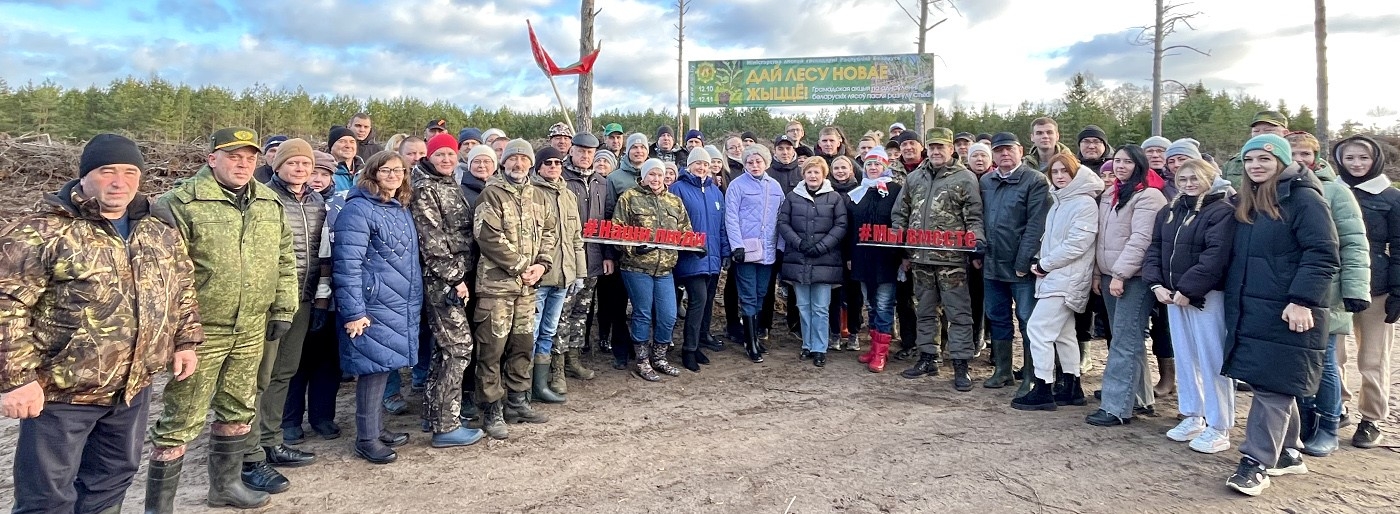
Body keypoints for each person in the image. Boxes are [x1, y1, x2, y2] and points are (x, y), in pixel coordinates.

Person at [1, 135, 202, 514]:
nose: (119, 182)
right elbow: (6, 304)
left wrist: (186, 340)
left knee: (112, 480)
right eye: (107, 171)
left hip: (132, 387)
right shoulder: (43, 230)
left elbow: (182, 285)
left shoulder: (157, 228)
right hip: (61, 393)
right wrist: (15, 380)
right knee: (46, 497)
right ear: (84, 176)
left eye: (129, 172)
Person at [147, 128, 298, 510]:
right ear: (212, 158)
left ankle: (226, 487)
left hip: (251, 327)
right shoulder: (180, 203)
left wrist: (283, 308)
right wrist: (180, 333)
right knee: (180, 419)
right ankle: (158, 506)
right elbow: (162, 276)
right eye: (233, 156)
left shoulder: (268, 201)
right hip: (201, 333)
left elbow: (284, 260)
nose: (243, 163)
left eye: (249, 157)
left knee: (238, 408)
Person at [1222, 135, 1338, 496]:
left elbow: (1322, 253)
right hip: (1255, 305)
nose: (1256, 165)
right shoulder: (1251, 201)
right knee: (1271, 380)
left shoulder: (1304, 199)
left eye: (1265, 159)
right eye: (1250, 160)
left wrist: (1302, 300)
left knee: (1273, 384)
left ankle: (1255, 462)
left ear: (1283, 162)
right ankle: (1288, 453)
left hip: (1289, 308)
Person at [241, 138, 324, 495]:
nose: (300, 169)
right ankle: (249, 452)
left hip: (303, 298)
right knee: (258, 376)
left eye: (306, 164)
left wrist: (319, 300)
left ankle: (272, 440)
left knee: (284, 372)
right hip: (271, 301)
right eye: (293, 163)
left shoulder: (318, 202)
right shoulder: (262, 198)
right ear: (278, 166)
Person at [1142, 159, 1238, 452]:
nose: (1188, 183)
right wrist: (1156, 284)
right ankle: (1193, 414)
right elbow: (1155, 248)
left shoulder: (1222, 211)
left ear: (1210, 179)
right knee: (1185, 356)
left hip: (1205, 297)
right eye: (1183, 178)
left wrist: (1188, 289)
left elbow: (1215, 256)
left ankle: (1219, 425)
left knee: (1211, 360)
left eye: (1195, 178)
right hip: (1172, 296)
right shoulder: (1170, 211)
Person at [1284, 131, 1369, 458]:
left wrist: (1355, 290)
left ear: (1316, 157)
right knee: (1300, 361)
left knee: (1327, 363)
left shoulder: (1335, 191)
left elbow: (1353, 242)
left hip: (1327, 292)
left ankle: (1330, 425)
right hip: (1293, 291)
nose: (1298, 159)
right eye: (1292, 152)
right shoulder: (1279, 189)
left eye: (1304, 153)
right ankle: (1305, 421)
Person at [333, 151, 421, 465]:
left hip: (397, 303)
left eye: (399, 170)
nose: (394, 175)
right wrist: (354, 312)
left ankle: (377, 428)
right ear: (372, 172)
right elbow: (346, 266)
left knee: (383, 366)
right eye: (386, 169)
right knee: (372, 369)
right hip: (373, 305)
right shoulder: (358, 210)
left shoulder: (399, 208)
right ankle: (366, 438)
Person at [472, 139, 557, 439]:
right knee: (491, 350)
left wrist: (542, 265)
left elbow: (549, 233)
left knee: (523, 345)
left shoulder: (539, 196)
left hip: (528, 289)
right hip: (496, 288)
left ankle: (517, 402)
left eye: (523, 159)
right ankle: (491, 409)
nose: (518, 164)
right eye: (513, 159)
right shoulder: (491, 194)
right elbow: (487, 237)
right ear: (503, 163)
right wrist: (522, 266)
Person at [408, 133, 486, 448]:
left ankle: (436, 412)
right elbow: (432, 240)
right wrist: (454, 278)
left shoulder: (448, 184)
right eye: (439, 154)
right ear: (429, 156)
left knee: (444, 350)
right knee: (458, 348)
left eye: (450, 155)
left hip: (458, 275)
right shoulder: (425, 190)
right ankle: (446, 426)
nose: (446, 159)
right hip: (442, 280)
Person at [894, 128, 984, 391]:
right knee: (924, 310)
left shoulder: (965, 178)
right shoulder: (914, 177)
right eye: (931, 147)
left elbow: (974, 217)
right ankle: (928, 357)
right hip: (920, 258)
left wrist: (976, 245)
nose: (935, 152)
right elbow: (901, 211)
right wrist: (902, 246)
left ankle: (960, 363)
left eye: (940, 147)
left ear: (951, 149)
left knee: (958, 312)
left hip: (952, 260)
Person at [1085, 144, 1168, 427]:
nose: (1120, 166)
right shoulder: (1111, 193)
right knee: (1127, 340)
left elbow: (1141, 240)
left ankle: (1116, 407)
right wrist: (1099, 273)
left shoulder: (1149, 196)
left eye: (1128, 162)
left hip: (1133, 279)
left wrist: (1120, 274)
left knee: (1124, 341)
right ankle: (1140, 398)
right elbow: (1101, 237)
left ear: (1139, 165)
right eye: (1117, 161)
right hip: (1109, 276)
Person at [1013, 152, 1102, 411]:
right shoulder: (1061, 201)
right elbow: (1052, 240)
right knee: (1064, 334)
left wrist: (1044, 264)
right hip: (1056, 276)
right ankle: (1072, 386)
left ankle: (1043, 386)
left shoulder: (1083, 203)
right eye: (1056, 172)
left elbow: (1077, 244)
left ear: (1075, 174)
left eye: (1065, 171)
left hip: (1067, 277)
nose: (1060, 176)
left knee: (1038, 329)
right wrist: (1040, 260)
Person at [1333, 134, 1400, 449]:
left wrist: (1398, 290)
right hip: (1335, 285)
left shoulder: (1391, 198)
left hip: (1377, 289)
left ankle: (1371, 419)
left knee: (1372, 358)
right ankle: (1337, 406)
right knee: (1333, 355)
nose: (1357, 164)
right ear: (1339, 160)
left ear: (1376, 160)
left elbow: (1399, 247)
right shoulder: (1330, 192)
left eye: (1363, 157)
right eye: (1350, 158)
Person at [979, 133, 1050, 395]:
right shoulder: (987, 180)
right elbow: (981, 219)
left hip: (1021, 267)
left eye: (1009, 149)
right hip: (991, 264)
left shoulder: (1035, 181)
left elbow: (1036, 225)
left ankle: (1031, 375)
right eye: (998, 151)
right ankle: (1003, 370)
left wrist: (1023, 262)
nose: (1004, 154)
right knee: (997, 317)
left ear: (1020, 150)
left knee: (1028, 320)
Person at [282, 151, 342, 447]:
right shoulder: (280, 200)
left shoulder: (336, 205)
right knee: (294, 361)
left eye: (323, 174)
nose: (317, 178)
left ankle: (322, 416)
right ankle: (290, 419)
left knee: (326, 358)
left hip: (328, 291)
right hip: (292, 293)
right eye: (312, 171)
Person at [613, 159, 692, 380]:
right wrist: (633, 249)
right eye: (652, 175)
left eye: (660, 175)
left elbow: (685, 230)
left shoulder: (674, 201)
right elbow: (616, 231)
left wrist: (692, 245)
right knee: (643, 313)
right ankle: (642, 360)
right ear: (644, 176)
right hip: (637, 267)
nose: (656, 179)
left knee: (668, 315)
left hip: (665, 268)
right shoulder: (629, 198)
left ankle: (660, 357)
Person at [777, 157, 849, 367]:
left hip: (824, 260)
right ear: (804, 174)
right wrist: (798, 243)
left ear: (823, 174)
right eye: (809, 172)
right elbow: (783, 222)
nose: (813, 176)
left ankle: (819, 347)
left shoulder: (834, 198)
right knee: (803, 305)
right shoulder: (793, 197)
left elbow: (841, 225)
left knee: (820, 307)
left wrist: (822, 245)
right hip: (799, 259)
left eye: (817, 172)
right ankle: (806, 344)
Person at [528, 145, 585, 403]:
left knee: (549, 331)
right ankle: (523, 387)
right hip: (539, 277)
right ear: (538, 166)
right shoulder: (531, 193)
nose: (553, 166)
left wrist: (578, 272)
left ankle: (541, 385)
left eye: (557, 162)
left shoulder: (568, 194)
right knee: (531, 332)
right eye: (548, 162)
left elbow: (576, 237)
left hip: (564, 276)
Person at [558, 133, 610, 383]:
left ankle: (573, 359)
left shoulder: (601, 182)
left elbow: (607, 221)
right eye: (581, 151)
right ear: (572, 151)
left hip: (593, 257)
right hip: (567, 259)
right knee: (562, 313)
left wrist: (606, 255)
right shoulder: (562, 178)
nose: (585, 156)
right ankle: (555, 366)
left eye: (590, 152)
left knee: (582, 312)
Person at [727, 144, 785, 363]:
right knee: (748, 294)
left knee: (762, 293)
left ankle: (756, 336)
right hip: (746, 251)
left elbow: (781, 218)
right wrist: (736, 245)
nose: (754, 165)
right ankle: (750, 342)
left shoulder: (775, 187)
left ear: (766, 163)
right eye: (750, 162)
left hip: (768, 250)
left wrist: (780, 246)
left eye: (758, 161)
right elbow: (731, 216)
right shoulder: (737, 186)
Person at [671, 147, 728, 371]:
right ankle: (688, 349)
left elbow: (721, 227)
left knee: (707, 302)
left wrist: (725, 252)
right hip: (692, 257)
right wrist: (688, 247)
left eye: (705, 164)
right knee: (698, 301)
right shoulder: (678, 189)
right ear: (689, 165)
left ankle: (698, 344)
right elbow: (673, 224)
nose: (702, 167)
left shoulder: (715, 192)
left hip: (712, 257)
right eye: (698, 163)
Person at [850, 148, 902, 373]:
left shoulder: (895, 190)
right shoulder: (857, 192)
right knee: (870, 304)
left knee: (883, 305)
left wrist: (902, 257)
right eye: (869, 164)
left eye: (877, 164)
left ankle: (882, 352)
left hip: (886, 259)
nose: (873, 168)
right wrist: (850, 257)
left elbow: (901, 223)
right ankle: (873, 347)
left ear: (884, 166)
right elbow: (852, 228)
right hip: (863, 258)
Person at [827, 155, 864, 351]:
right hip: (832, 250)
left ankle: (854, 333)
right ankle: (834, 332)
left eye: (844, 167)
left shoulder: (860, 190)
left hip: (853, 249)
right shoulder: (827, 191)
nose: (840, 171)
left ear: (851, 170)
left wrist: (852, 254)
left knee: (854, 295)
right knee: (834, 294)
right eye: (836, 168)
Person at [1221, 110, 1291, 189]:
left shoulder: (1297, 158)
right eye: (1256, 131)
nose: (1260, 134)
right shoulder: (1234, 162)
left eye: (1268, 130)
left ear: (1285, 133)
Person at [328, 126, 362, 192]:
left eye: (352, 142)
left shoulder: (366, 172)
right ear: (331, 146)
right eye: (342, 141)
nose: (348, 146)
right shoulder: (324, 172)